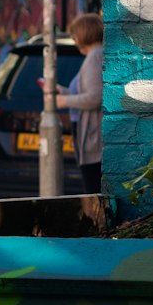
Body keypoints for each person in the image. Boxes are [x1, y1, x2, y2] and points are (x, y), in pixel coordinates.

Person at [54, 11, 103, 194]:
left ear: (84, 34)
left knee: (93, 188)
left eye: (75, 35)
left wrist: (64, 100)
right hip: (88, 133)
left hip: (92, 136)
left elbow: (94, 98)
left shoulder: (94, 58)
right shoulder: (94, 56)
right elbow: (87, 92)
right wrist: (65, 92)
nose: (74, 40)